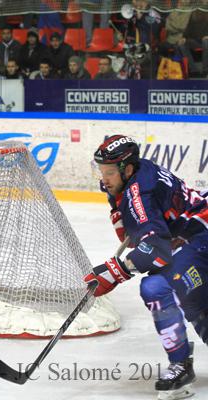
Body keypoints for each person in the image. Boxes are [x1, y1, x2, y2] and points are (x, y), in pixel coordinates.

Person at [85, 135, 208, 399]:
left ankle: (181, 365)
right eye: (101, 171)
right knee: (189, 297)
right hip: (193, 237)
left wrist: (115, 271)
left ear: (127, 169)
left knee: (156, 287)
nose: (104, 179)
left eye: (109, 172)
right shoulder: (138, 173)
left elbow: (157, 251)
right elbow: (140, 236)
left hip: (200, 239)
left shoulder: (140, 193)